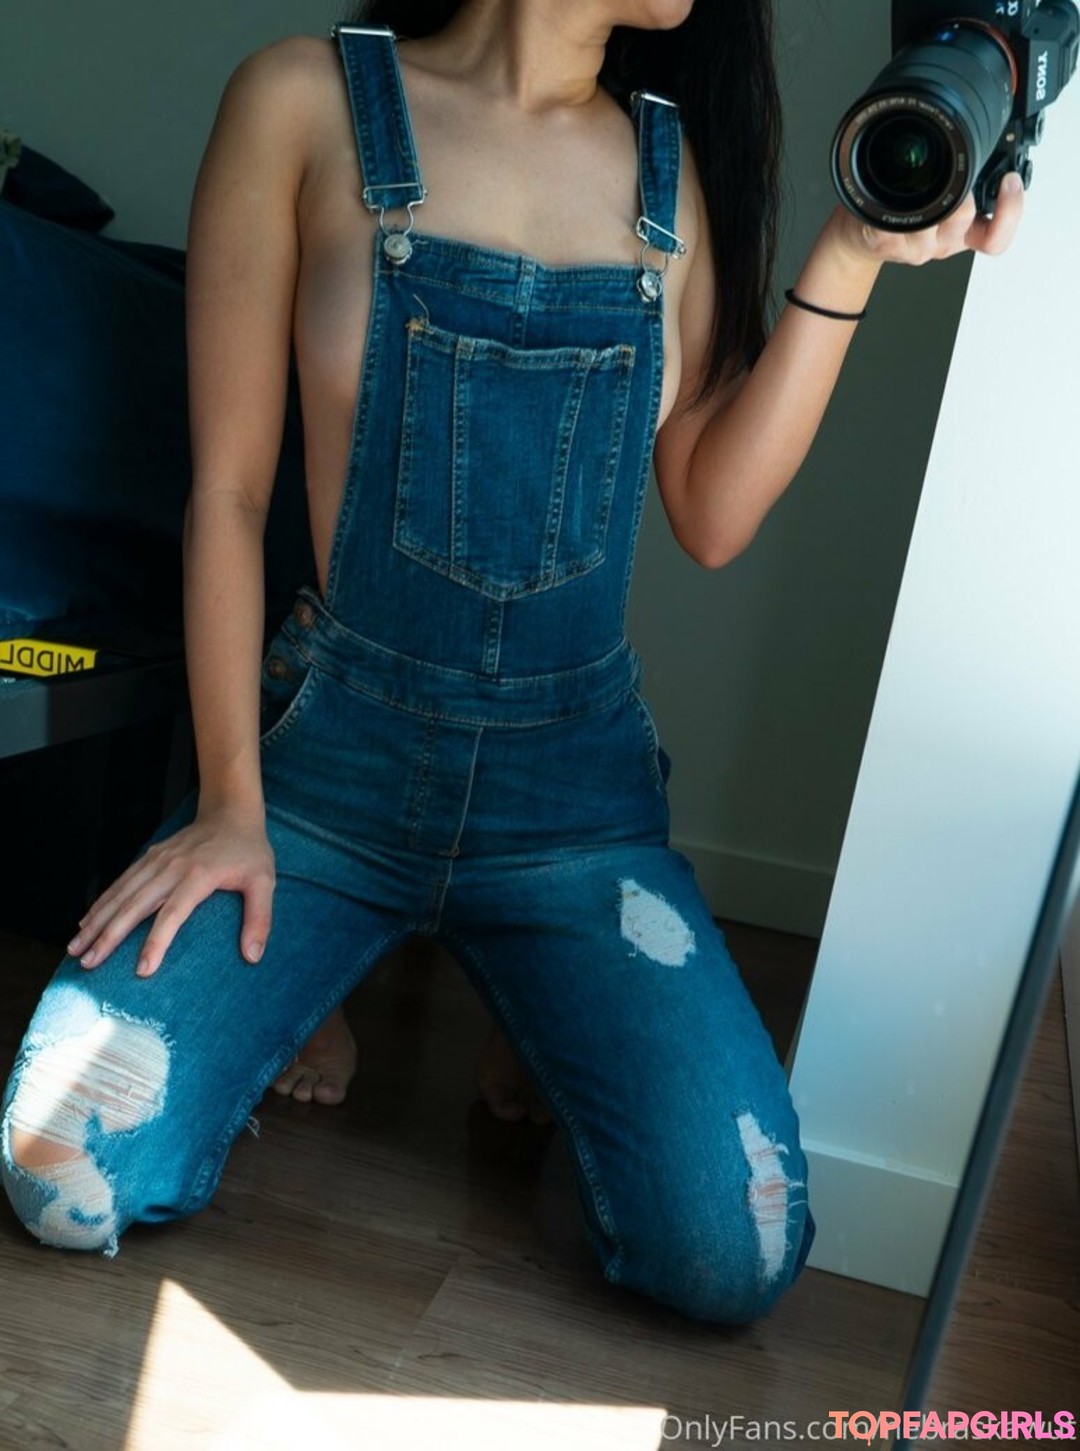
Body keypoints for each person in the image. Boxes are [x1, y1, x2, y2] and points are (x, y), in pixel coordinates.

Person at [0, 0, 1022, 1323]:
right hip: (322, 769)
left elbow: (713, 514)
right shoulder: (303, 101)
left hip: (570, 802)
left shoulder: (672, 170)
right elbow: (229, 495)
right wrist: (231, 807)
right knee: (58, 1166)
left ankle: (525, 991)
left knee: (735, 1251)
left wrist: (853, 250)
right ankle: (324, 969)